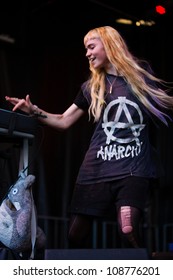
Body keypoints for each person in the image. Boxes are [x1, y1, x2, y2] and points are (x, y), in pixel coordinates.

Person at [5, 26, 173, 249]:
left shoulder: (140, 77)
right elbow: (64, 120)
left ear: (109, 45)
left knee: (128, 228)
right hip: (96, 169)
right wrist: (33, 110)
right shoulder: (91, 87)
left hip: (133, 168)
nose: (87, 53)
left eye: (91, 47)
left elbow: (164, 101)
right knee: (75, 234)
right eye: (86, 49)